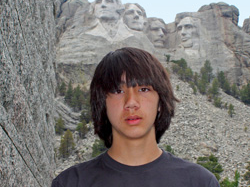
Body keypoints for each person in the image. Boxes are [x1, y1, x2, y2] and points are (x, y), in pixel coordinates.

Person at [51, 47, 220, 187]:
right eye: (118, 91)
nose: (131, 102)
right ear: (103, 104)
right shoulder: (70, 183)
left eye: (144, 89)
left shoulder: (200, 182)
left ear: (160, 101)